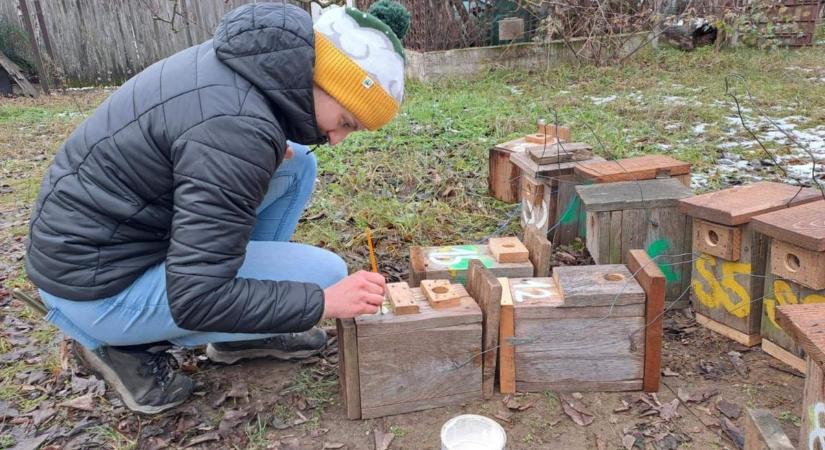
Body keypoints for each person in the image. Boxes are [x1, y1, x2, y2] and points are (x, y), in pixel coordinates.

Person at [24, 1, 410, 414]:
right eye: (347, 122)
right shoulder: (238, 128)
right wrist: (322, 303)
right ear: (324, 80)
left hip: (102, 244)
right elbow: (197, 297)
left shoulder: (253, 65)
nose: (337, 139)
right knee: (326, 276)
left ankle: (238, 333)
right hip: (96, 289)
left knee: (297, 165)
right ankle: (122, 345)